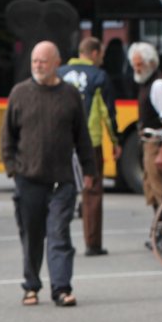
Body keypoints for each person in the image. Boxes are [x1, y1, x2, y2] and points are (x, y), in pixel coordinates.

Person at [1, 41, 94, 307]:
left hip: (62, 180)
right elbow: (7, 135)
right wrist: (12, 168)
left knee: (59, 234)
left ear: (56, 63)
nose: (38, 66)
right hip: (28, 179)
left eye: (43, 61)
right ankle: (31, 286)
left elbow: (82, 136)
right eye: (34, 61)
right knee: (31, 236)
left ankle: (61, 289)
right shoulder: (19, 93)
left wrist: (89, 170)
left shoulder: (70, 94)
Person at [59, 37, 124, 257]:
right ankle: (92, 243)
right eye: (102, 54)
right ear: (94, 53)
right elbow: (108, 112)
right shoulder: (99, 77)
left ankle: (60, 240)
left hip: (62, 142)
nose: (103, 59)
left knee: (61, 191)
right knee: (92, 192)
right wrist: (115, 141)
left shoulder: (59, 74)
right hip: (89, 143)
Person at [129, 41, 162, 236]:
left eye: (139, 64)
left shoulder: (158, 85)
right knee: (151, 187)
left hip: (157, 143)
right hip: (150, 142)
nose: (136, 69)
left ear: (151, 63)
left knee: (160, 189)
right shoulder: (146, 82)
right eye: (134, 64)